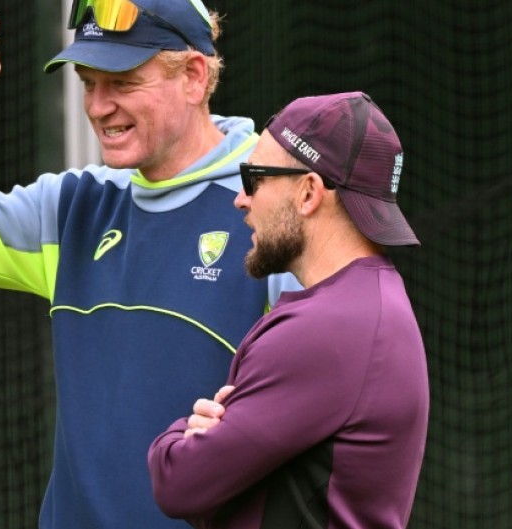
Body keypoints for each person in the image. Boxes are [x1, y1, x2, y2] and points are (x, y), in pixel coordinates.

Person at [0, 1, 300, 528]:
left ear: (194, 77)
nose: (99, 107)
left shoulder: (275, 207)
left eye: (122, 83)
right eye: (88, 83)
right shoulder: (73, 207)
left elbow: (330, 409)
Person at [148, 91, 430, 529]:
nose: (241, 199)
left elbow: (178, 482)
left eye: (254, 178)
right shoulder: (371, 302)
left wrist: (178, 437)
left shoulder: (328, 328)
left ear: (308, 193)